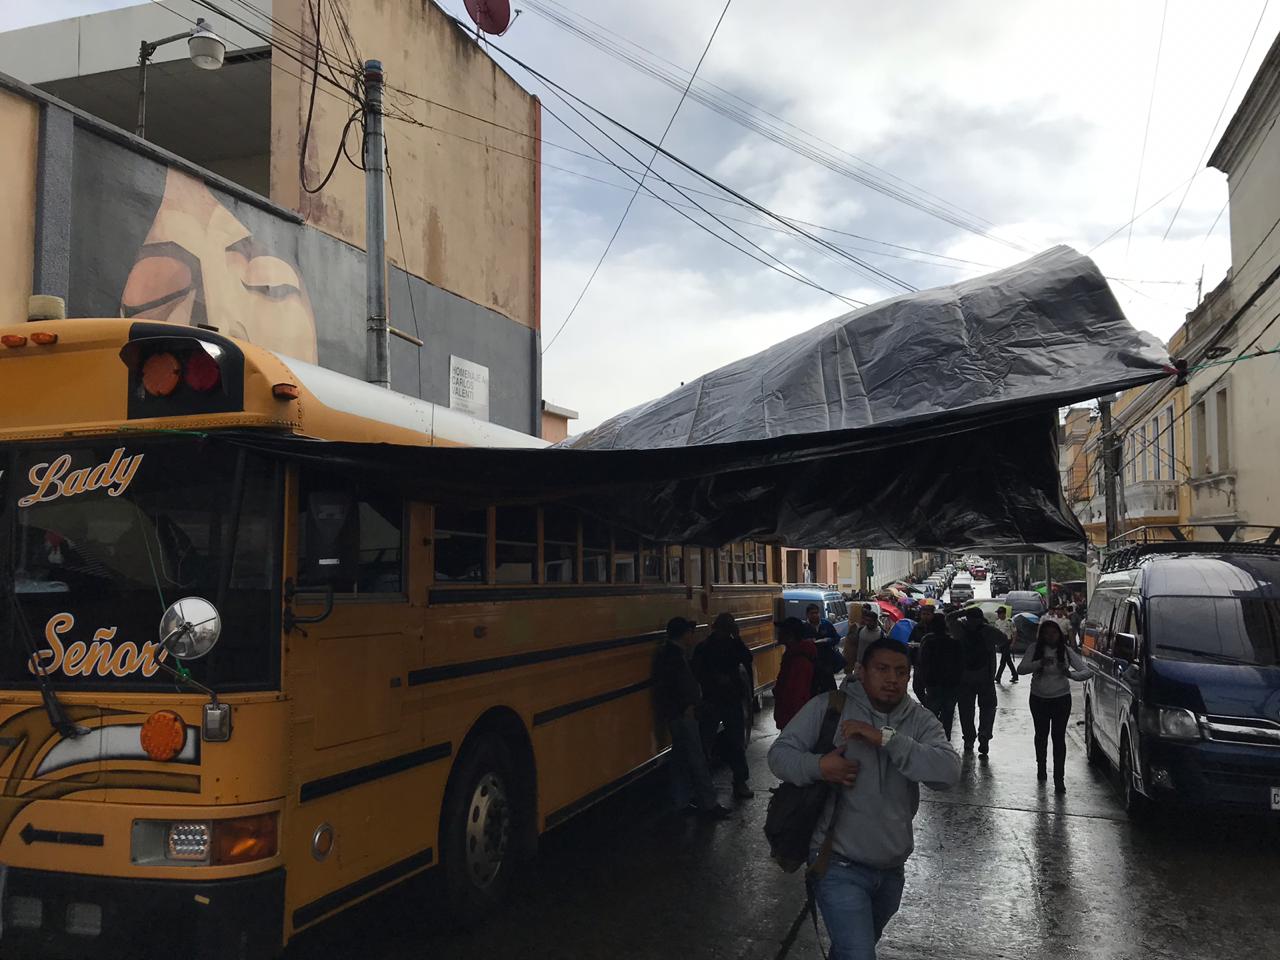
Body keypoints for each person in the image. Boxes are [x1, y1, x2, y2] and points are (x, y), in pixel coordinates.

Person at [768, 640, 961, 959]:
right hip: (837, 862)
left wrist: (886, 739)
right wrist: (820, 767)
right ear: (861, 671)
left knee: (851, 950)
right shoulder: (829, 707)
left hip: (891, 868)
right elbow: (779, 756)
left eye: (901, 672)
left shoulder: (919, 719)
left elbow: (948, 772)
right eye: (882, 669)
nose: (892, 679)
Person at [654, 617, 731, 818]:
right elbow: (675, 687)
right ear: (684, 634)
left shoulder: (670, 654)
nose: (693, 636)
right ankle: (708, 803)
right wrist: (686, 706)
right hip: (683, 714)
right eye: (690, 632)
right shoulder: (673, 657)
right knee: (697, 758)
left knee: (679, 759)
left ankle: (680, 800)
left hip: (676, 714)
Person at [1018, 619, 1090, 794]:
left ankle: (1059, 778)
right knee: (1041, 735)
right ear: (1042, 635)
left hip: (1061, 699)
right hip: (1038, 699)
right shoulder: (1034, 649)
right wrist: (1039, 663)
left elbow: (1086, 671)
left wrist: (1069, 674)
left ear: (1059, 634)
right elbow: (1021, 669)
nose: (1051, 636)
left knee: (1058, 738)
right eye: (1047, 633)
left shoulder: (1065, 651)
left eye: (1054, 633)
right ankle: (1041, 768)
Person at [692, 612, 755, 799]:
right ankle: (738, 781)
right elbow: (747, 659)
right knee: (733, 742)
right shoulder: (724, 646)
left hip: (715, 699)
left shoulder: (705, 647)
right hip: (724, 700)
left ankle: (702, 786)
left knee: (708, 744)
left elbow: (697, 671)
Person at [946, 607, 1000, 756]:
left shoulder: (959, 630)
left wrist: (963, 611)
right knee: (988, 708)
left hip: (964, 677)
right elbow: (1003, 640)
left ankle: (969, 739)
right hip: (986, 678)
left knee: (966, 710)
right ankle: (984, 735)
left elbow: (949, 617)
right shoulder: (989, 631)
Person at [774, 617, 839, 730]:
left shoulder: (799, 662)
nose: (778, 634)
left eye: (781, 631)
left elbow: (797, 696)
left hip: (794, 723)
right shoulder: (793, 656)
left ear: (790, 635)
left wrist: (794, 725)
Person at [915, 607, 963, 739]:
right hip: (950, 685)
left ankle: (933, 737)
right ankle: (945, 738)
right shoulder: (954, 643)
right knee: (948, 714)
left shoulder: (927, 641)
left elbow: (922, 662)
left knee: (933, 714)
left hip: (933, 684)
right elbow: (960, 665)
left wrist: (924, 681)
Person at [992, 606, 1018, 684]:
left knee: (1003, 661)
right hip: (1001, 643)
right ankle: (1015, 675)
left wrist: (1013, 643)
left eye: (1000, 613)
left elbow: (1014, 633)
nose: (999, 615)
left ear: (1004, 613)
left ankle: (998, 677)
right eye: (998, 613)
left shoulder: (1010, 621)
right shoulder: (997, 622)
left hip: (1008, 642)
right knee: (1008, 660)